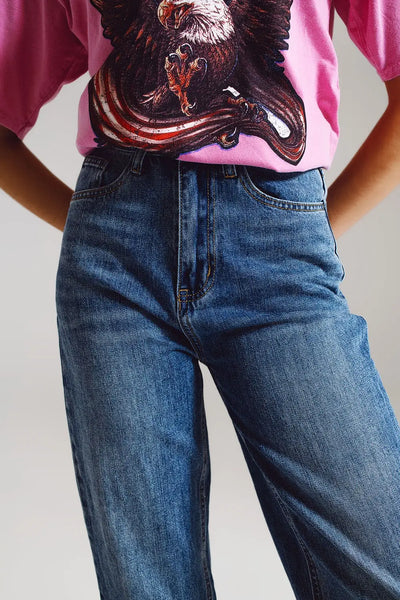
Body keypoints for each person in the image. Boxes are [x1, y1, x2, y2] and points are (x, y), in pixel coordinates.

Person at [1, 1, 400, 598]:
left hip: (277, 245)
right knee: (148, 586)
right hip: (115, 265)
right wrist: (93, 227)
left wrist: (307, 232)